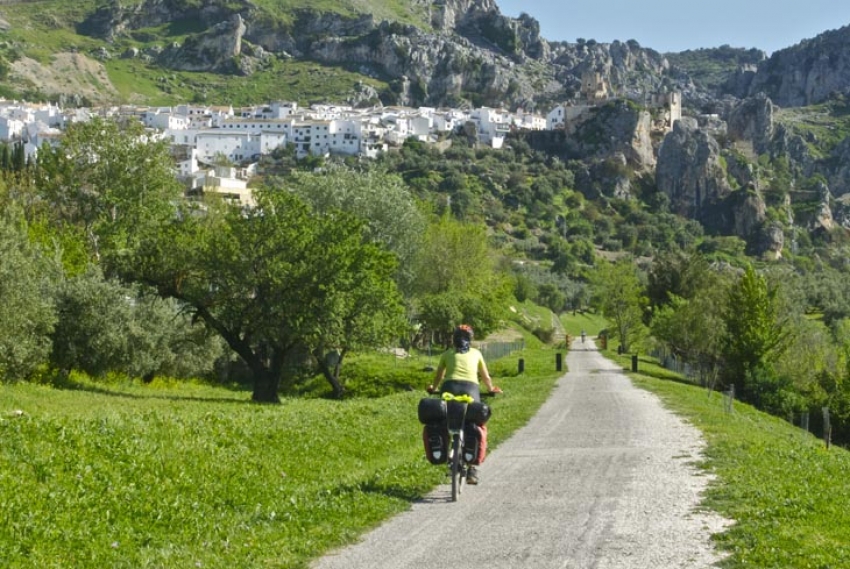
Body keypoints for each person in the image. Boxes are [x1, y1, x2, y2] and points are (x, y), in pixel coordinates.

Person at [427, 324, 501, 484]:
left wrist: (434, 388)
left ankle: (446, 453)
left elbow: (439, 375)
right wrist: (491, 388)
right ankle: (472, 469)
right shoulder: (476, 353)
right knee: (475, 424)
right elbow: (486, 377)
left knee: (444, 422)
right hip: (471, 390)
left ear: (454, 339)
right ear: (470, 339)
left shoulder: (447, 354)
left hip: (449, 389)